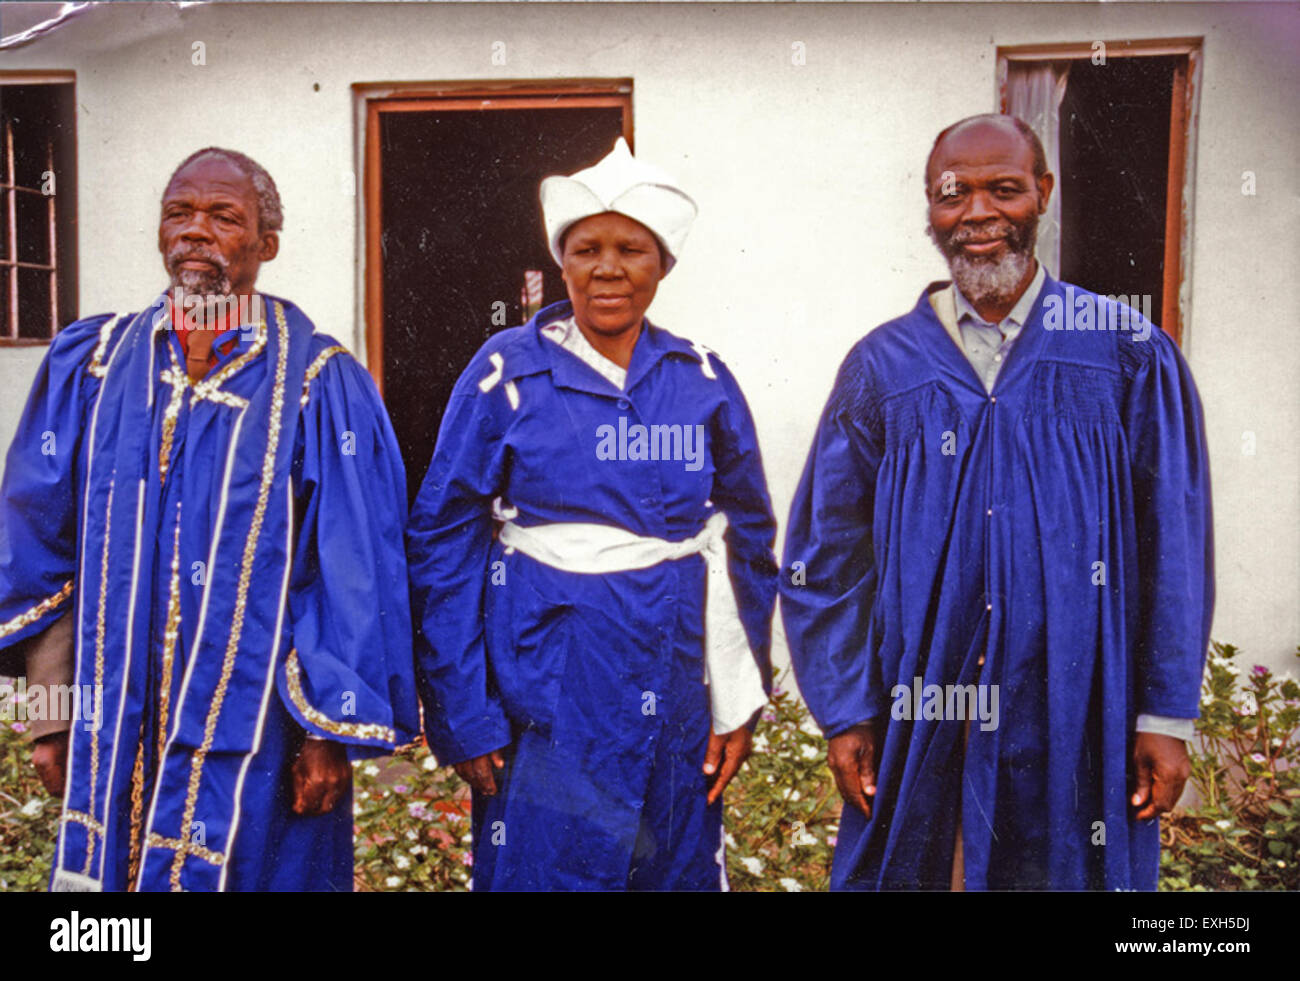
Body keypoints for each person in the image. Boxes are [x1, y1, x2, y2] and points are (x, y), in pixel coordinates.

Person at [780, 114, 1214, 890]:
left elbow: (1173, 537)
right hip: (925, 709)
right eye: (954, 194)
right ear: (929, 208)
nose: (978, 213)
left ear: (1042, 194)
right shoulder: (883, 368)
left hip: (1081, 701)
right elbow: (826, 554)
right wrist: (845, 711)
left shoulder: (1124, 352)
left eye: (1003, 189)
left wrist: (1166, 713)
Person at [0, 147, 419, 891]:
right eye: (178, 213)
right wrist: (52, 713)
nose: (196, 230)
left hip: (260, 736)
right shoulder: (92, 367)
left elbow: (352, 570)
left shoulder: (317, 386)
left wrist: (327, 736)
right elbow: (38, 543)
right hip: (114, 726)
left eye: (224, 216)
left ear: (266, 244)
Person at [408, 138, 778, 890]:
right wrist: (465, 712)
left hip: (675, 684)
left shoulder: (699, 380)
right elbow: (442, 538)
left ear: (663, 264)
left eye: (631, 250)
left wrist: (739, 700)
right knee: (548, 868)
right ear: (560, 261)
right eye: (587, 249)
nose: (608, 268)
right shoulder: (507, 374)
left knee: (668, 866)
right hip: (544, 686)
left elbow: (749, 537)